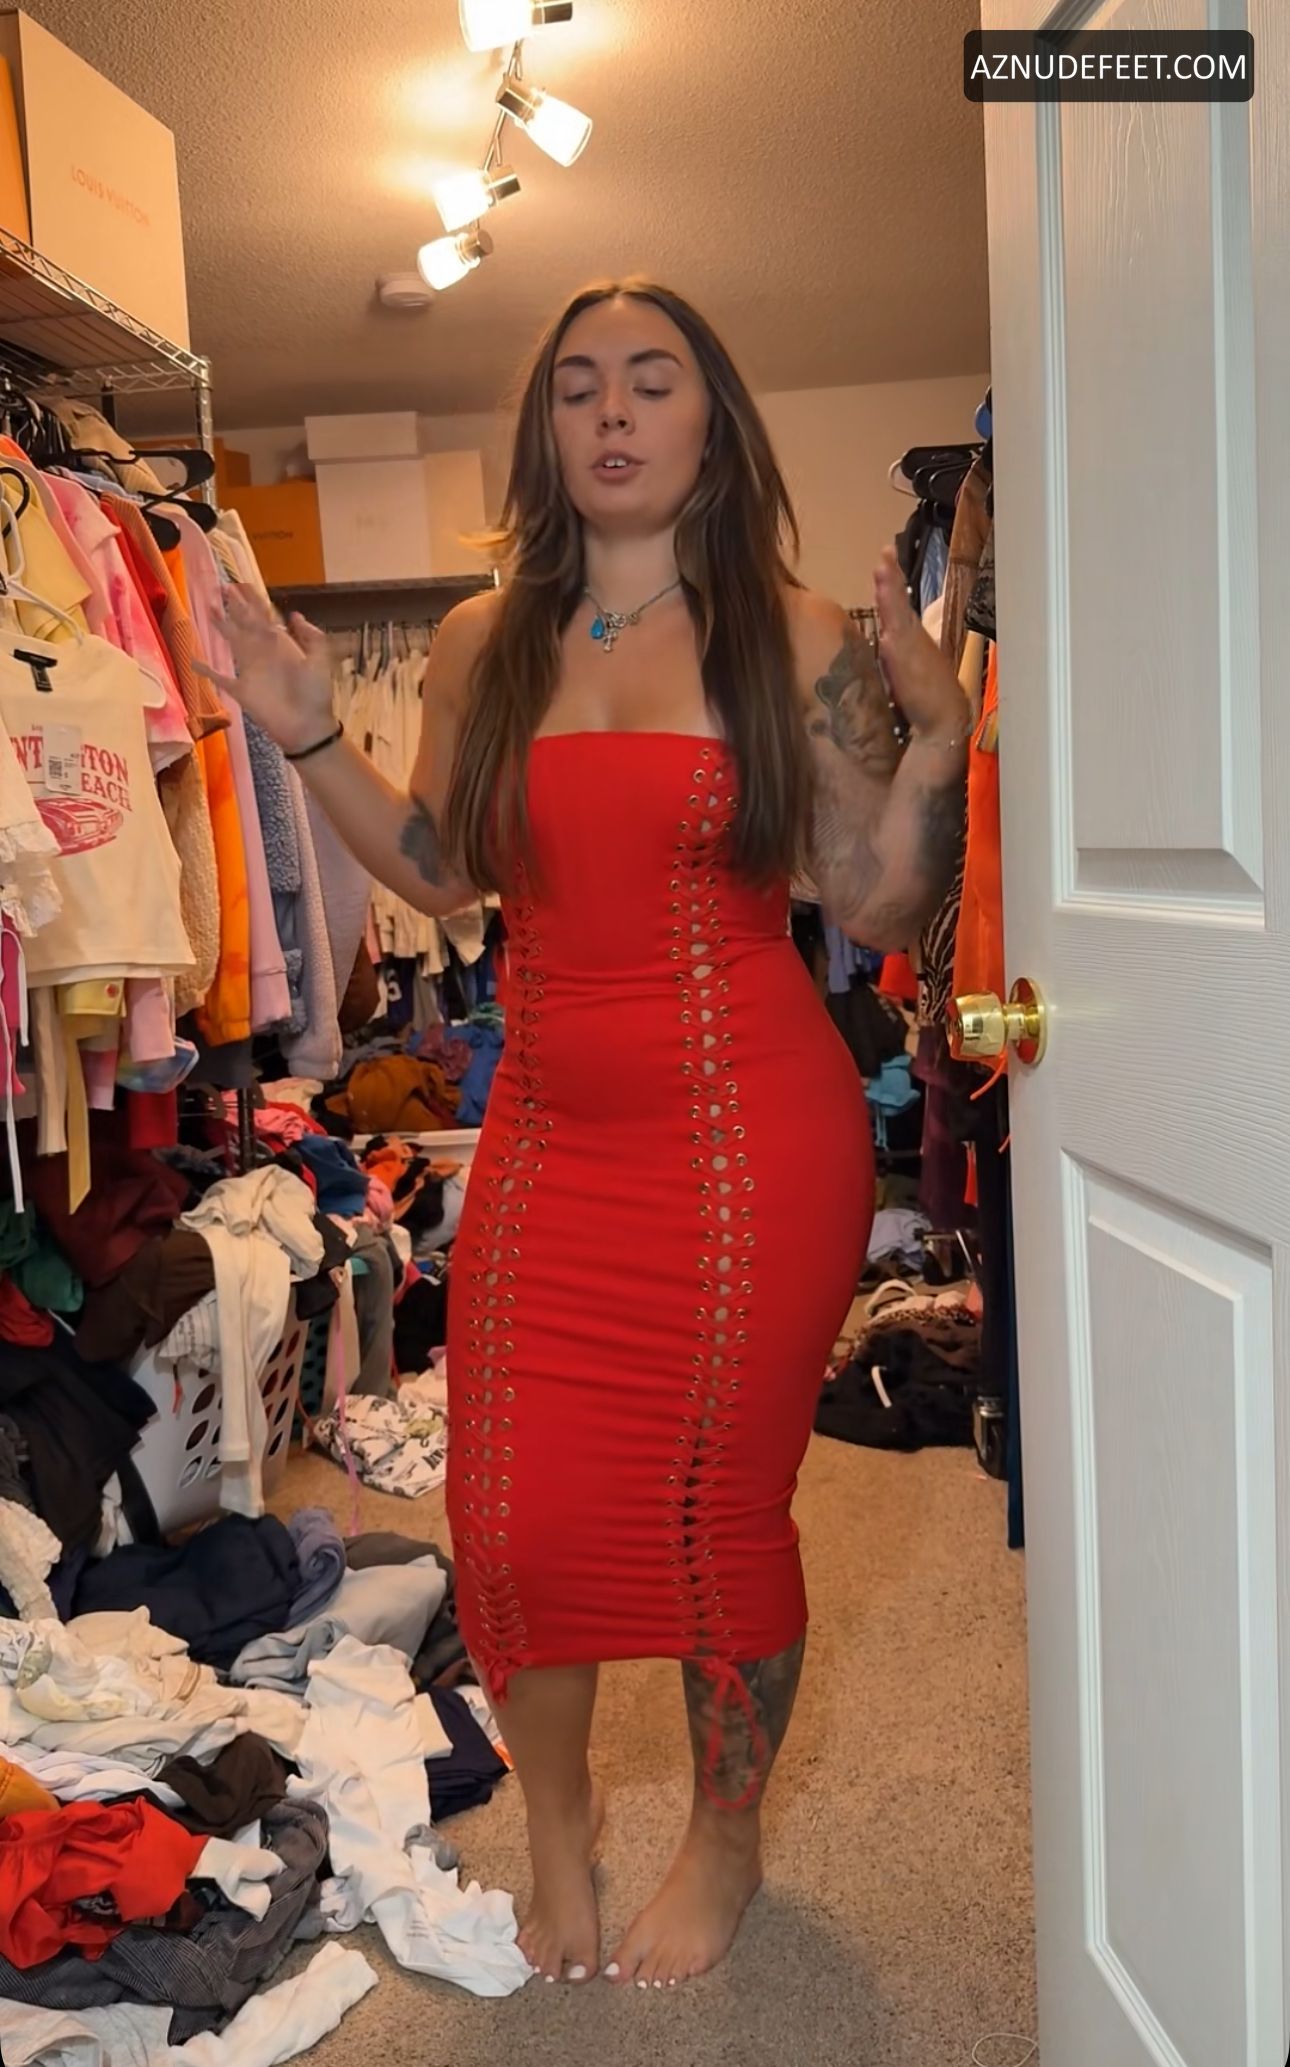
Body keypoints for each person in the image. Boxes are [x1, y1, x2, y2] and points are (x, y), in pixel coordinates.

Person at [212, 277, 970, 1991]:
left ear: (713, 422)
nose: (613, 412)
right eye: (576, 386)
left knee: (719, 1515)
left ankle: (725, 1837)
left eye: (651, 379)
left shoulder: (792, 634)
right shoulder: (483, 640)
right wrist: (301, 725)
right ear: (545, 428)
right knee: (512, 1518)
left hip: (748, 1143)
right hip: (551, 1141)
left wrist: (936, 730)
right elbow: (437, 871)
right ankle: (557, 1827)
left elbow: (880, 906)